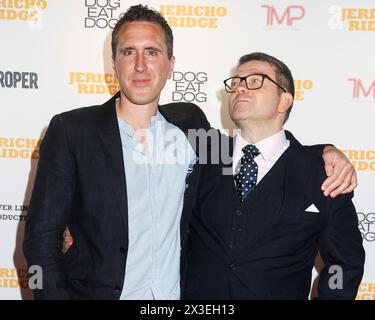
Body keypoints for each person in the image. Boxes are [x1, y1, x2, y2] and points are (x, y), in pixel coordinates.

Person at [24, 5, 356, 300]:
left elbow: (269, 149)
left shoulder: (192, 130)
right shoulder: (73, 131)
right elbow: (41, 242)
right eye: (129, 52)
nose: (140, 65)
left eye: (152, 52)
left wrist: (324, 153)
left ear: (170, 65)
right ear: (114, 62)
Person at [183, 52, 365, 300]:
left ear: (284, 101)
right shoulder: (203, 154)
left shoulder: (323, 175)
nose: (239, 89)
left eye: (255, 81)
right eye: (235, 83)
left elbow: (344, 263)